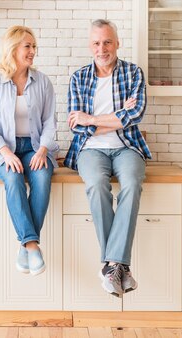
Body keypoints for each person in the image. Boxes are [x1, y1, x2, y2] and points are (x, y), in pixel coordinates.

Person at [65, 19, 151, 297]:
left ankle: (111, 266)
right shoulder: (79, 78)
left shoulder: (133, 73)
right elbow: (78, 127)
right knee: (97, 185)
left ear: (117, 43)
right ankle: (119, 267)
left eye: (107, 42)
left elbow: (135, 115)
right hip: (90, 149)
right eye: (96, 43)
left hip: (128, 147)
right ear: (90, 46)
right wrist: (115, 118)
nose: (102, 48)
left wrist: (92, 118)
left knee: (131, 184)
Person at [0, 25, 59, 276]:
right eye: (28, 46)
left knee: (43, 176)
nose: (33, 51)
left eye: (34, 46)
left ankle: (26, 246)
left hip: (35, 147)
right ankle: (32, 245)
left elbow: (50, 121)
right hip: (3, 149)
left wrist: (42, 150)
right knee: (13, 178)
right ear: (13, 48)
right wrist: (5, 152)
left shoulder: (42, 81)